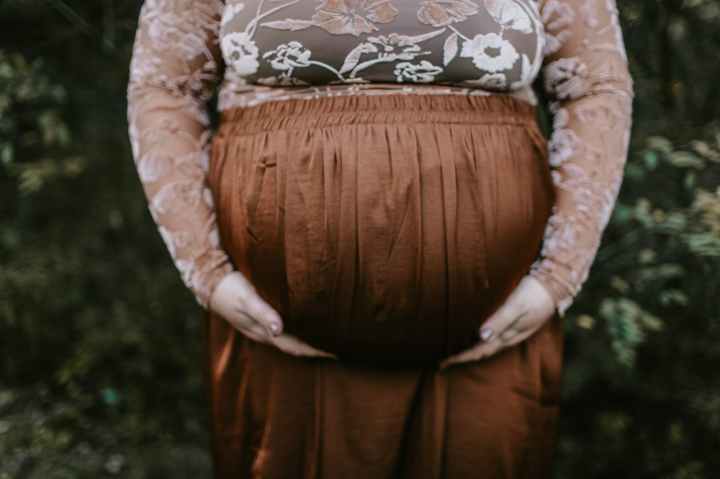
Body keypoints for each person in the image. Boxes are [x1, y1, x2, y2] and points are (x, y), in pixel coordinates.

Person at [126, 0, 634, 477]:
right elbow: (166, 87)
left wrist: (558, 274)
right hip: (278, 336)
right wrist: (206, 268)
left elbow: (592, 85)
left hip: (495, 335)